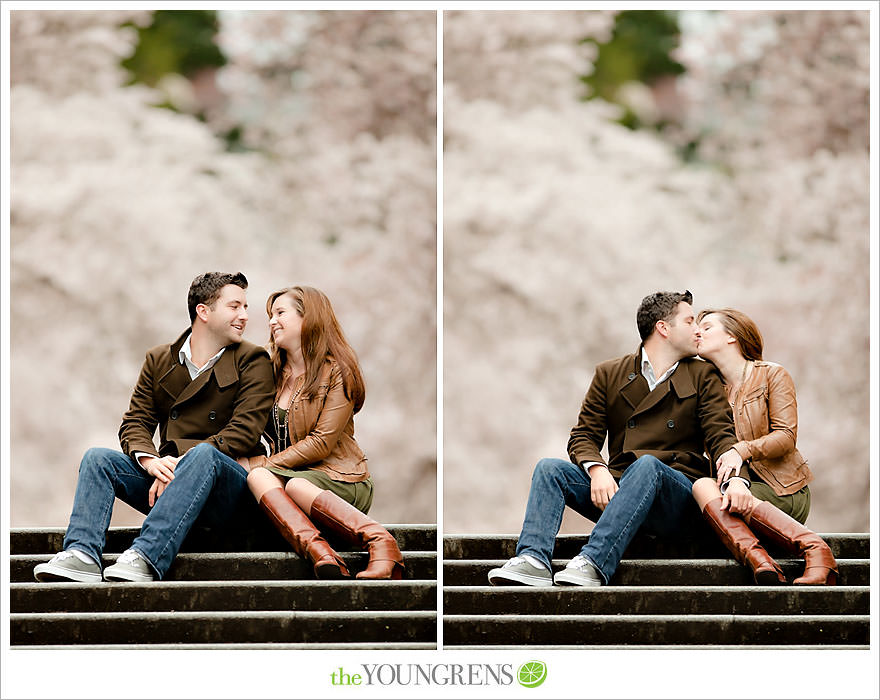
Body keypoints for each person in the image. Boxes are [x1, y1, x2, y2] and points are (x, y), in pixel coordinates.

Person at [489, 290, 744, 587]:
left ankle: (594, 561)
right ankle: (533, 559)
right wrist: (597, 470)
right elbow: (583, 435)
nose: (698, 329)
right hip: (621, 489)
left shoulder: (704, 375)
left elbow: (721, 435)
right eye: (689, 321)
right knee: (549, 469)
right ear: (664, 328)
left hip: (676, 498)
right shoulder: (610, 373)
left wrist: (735, 478)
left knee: (647, 465)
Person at [34, 272, 275, 583]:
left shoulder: (253, 360)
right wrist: (150, 460)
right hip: (168, 480)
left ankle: (146, 555)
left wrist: (178, 461)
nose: (244, 315)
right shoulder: (159, 359)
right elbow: (135, 422)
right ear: (203, 311)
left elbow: (244, 431)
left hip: (228, 490)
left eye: (245, 306)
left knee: (203, 455)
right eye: (234, 306)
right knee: (97, 459)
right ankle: (81, 554)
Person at [240, 286, 404, 580]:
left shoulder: (338, 371)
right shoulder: (271, 372)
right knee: (259, 478)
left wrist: (264, 463)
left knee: (289, 483)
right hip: (292, 478)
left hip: (340, 478)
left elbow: (321, 443)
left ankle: (381, 541)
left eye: (280, 313)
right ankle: (322, 554)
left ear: (308, 318)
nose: (271, 321)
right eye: (270, 315)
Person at [692, 307, 837, 585]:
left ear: (732, 336)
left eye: (707, 327)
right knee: (700, 487)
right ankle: (763, 562)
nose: (699, 331)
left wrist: (741, 450)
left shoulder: (771, 374)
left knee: (703, 488)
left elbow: (785, 436)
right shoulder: (708, 390)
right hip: (731, 492)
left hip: (783, 489)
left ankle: (815, 548)